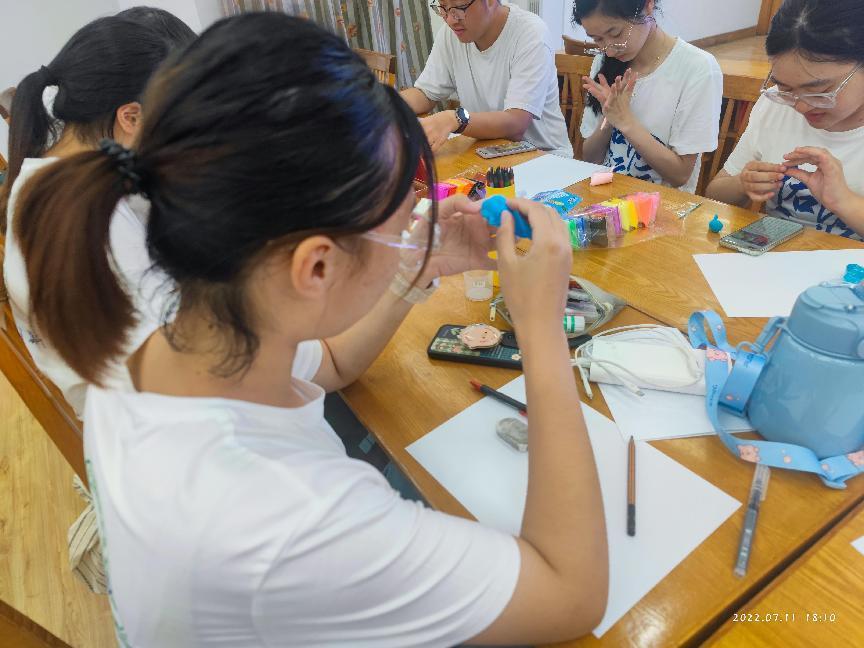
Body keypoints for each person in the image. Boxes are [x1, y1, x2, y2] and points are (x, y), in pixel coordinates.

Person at [14, 14, 608, 646]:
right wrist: (541, 331)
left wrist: (413, 266)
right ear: (316, 267)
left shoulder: (179, 344)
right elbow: (570, 594)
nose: (413, 222)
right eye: (403, 216)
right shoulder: (290, 523)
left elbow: (333, 364)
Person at [1, 12, 195, 414]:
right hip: (147, 416)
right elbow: (170, 366)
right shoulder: (80, 211)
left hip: (138, 398)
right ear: (131, 116)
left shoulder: (56, 177)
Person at [706, 0, 864, 241]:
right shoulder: (775, 105)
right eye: (785, 88)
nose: (800, 106)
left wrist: (844, 201)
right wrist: (743, 183)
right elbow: (714, 194)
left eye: (820, 92)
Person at [575, 0, 723, 193]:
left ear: (648, 5)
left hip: (661, 206)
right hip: (604, 199)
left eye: (616, 34)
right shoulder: (605, 62)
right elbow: (590, 159)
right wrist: (609, 119)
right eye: (597, 39)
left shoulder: (697, 68)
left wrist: (626, 122)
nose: (609, 51)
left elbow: (680, 175)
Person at [400, 0, 573, 157]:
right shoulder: (451, 34)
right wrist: (388, 104)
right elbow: (425, 93)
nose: (451, 20)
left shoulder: (530, 33)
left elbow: (516, 124)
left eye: (460, 8)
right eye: (443, 8)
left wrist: (456, 119)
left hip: (545, 158)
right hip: (486, 152)